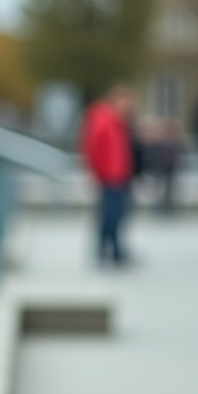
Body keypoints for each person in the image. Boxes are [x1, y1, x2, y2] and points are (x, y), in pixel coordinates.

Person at [80, 84, 136, 267]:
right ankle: (106, 250)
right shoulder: (104, 120)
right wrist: (96, 173)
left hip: (122, 174)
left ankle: (114, 250)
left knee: (119, 214)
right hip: (109, 175)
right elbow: (92, 148)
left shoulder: (120, 122)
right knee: (111, 215)